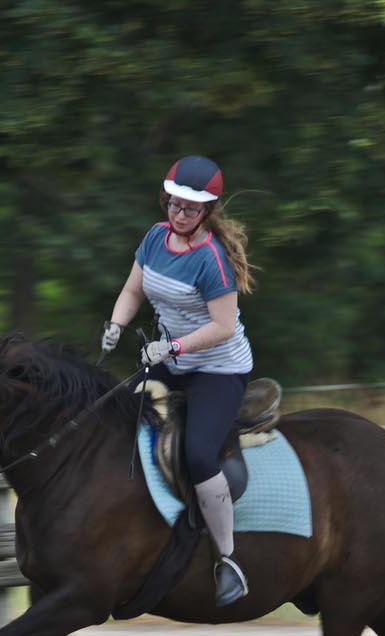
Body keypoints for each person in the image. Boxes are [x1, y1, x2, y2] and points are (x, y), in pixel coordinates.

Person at [100, 154, 256, 606]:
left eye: (189, 208)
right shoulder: (154, 237)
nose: (178, 213)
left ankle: (229, 559)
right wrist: (116, 323)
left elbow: (223, 326)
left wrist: (173, 348)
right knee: (112, 417)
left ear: (206, 211)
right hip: (169, 358)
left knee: (198, 452)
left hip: (218, 369)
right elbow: (133, 289)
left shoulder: (213, 259)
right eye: (173, 204)